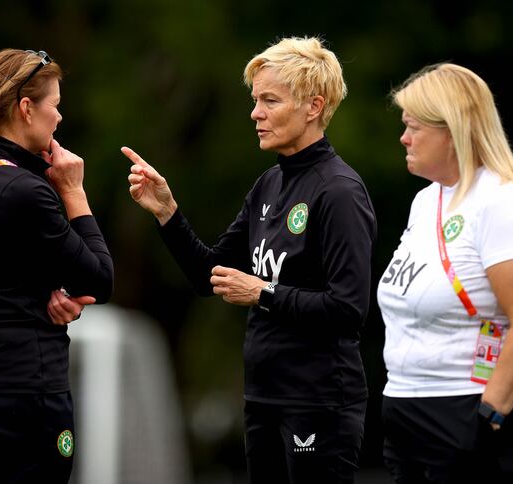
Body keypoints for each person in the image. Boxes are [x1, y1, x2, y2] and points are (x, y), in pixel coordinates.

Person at [123, 36, 376, 483]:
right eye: (255, 100)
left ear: (313, 107)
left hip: (318, 402)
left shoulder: (338, 191)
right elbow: (210, 277)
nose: (255, 113)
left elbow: (348, 309)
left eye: (269, 101)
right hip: (263, 398)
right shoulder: (268, 184)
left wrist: (263, 292)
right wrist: (167, 212)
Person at [0, 48, 114, 483]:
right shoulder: (22, 188)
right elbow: (100, 278)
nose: (58, 118)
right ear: (25, 108)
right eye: (54, 106)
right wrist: (73, 191)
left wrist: (46, 292)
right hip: (22, 387)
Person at [378, 63, 513, 483]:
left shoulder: (503, 201)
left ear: (451, 130)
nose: (404, 138)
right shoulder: (426, 201)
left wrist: (488, 414)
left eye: (413, 126)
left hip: (471, 410)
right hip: (410, 408)